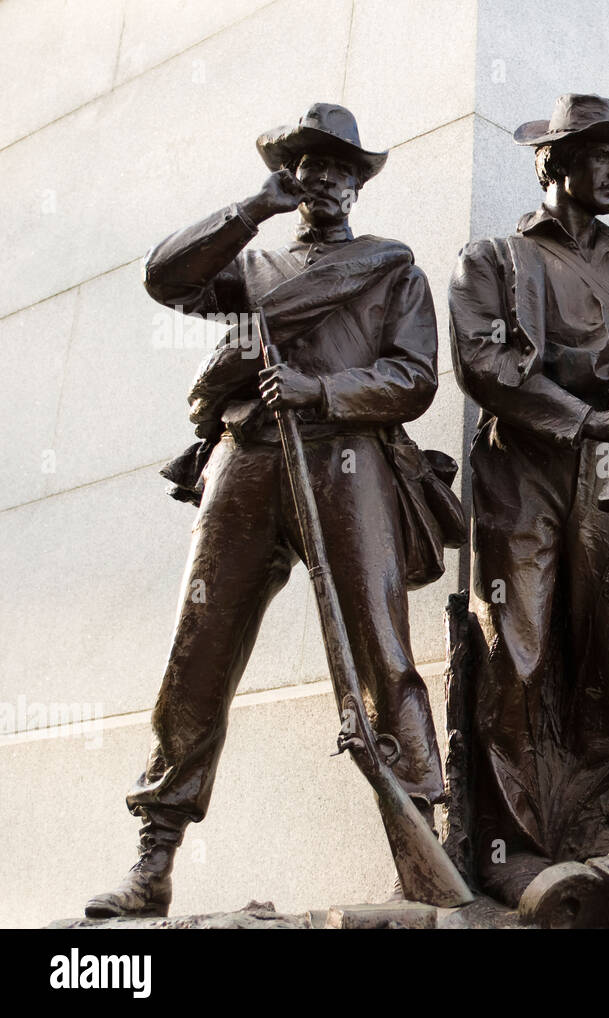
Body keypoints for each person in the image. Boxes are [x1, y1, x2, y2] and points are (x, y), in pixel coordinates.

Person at [86, 103, 450, 917]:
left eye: (336, 164)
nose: (321, 176)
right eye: (304, 163)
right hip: (247, 461)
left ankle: (419, 842)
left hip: (348, 461)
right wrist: (250, 210)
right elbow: (164, 278)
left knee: (379, 650)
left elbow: (415, 378)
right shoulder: (251, 271)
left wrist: (323, 388)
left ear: (359, 180)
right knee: (198, 652)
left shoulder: (393, 270)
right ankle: (155, 858)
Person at [447, 94, 609, 904]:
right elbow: (485, 366)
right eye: (603, 154)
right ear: (555, 162)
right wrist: (587, 419)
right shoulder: (493, 258)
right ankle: (510, 844)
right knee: (517, 644)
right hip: (530, 465)